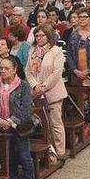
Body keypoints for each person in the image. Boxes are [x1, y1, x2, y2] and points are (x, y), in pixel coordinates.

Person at [26, 25, 68, 161]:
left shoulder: (56, 51)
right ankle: (49, 152)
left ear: (48, 36)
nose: (39, 38)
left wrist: (42, 87)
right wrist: (34, 85)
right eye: (37, 36)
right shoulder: (32, 50)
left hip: (52, 91)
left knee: (55, 123)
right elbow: (27, 70)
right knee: (44, 125)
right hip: (37, 92)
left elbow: (56, 73)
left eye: (42, 35)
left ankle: (60, 151)